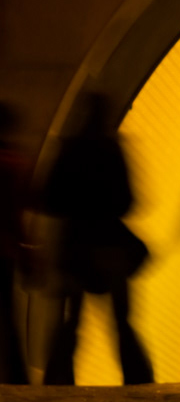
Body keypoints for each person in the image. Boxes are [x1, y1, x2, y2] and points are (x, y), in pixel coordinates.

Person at [40, 91, 153, 386]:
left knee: (71, 319)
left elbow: (49, 198)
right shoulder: (113, 149)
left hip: (75, 243)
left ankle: (59, 378)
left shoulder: (68, 149)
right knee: (121, 320)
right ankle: (137, 378)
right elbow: (129, 200)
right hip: (110, 244)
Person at [0, 102, 30, 383]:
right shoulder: (12, 162)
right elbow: (14, 214)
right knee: (8, 315)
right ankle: (17, 375)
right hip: (4, 249)